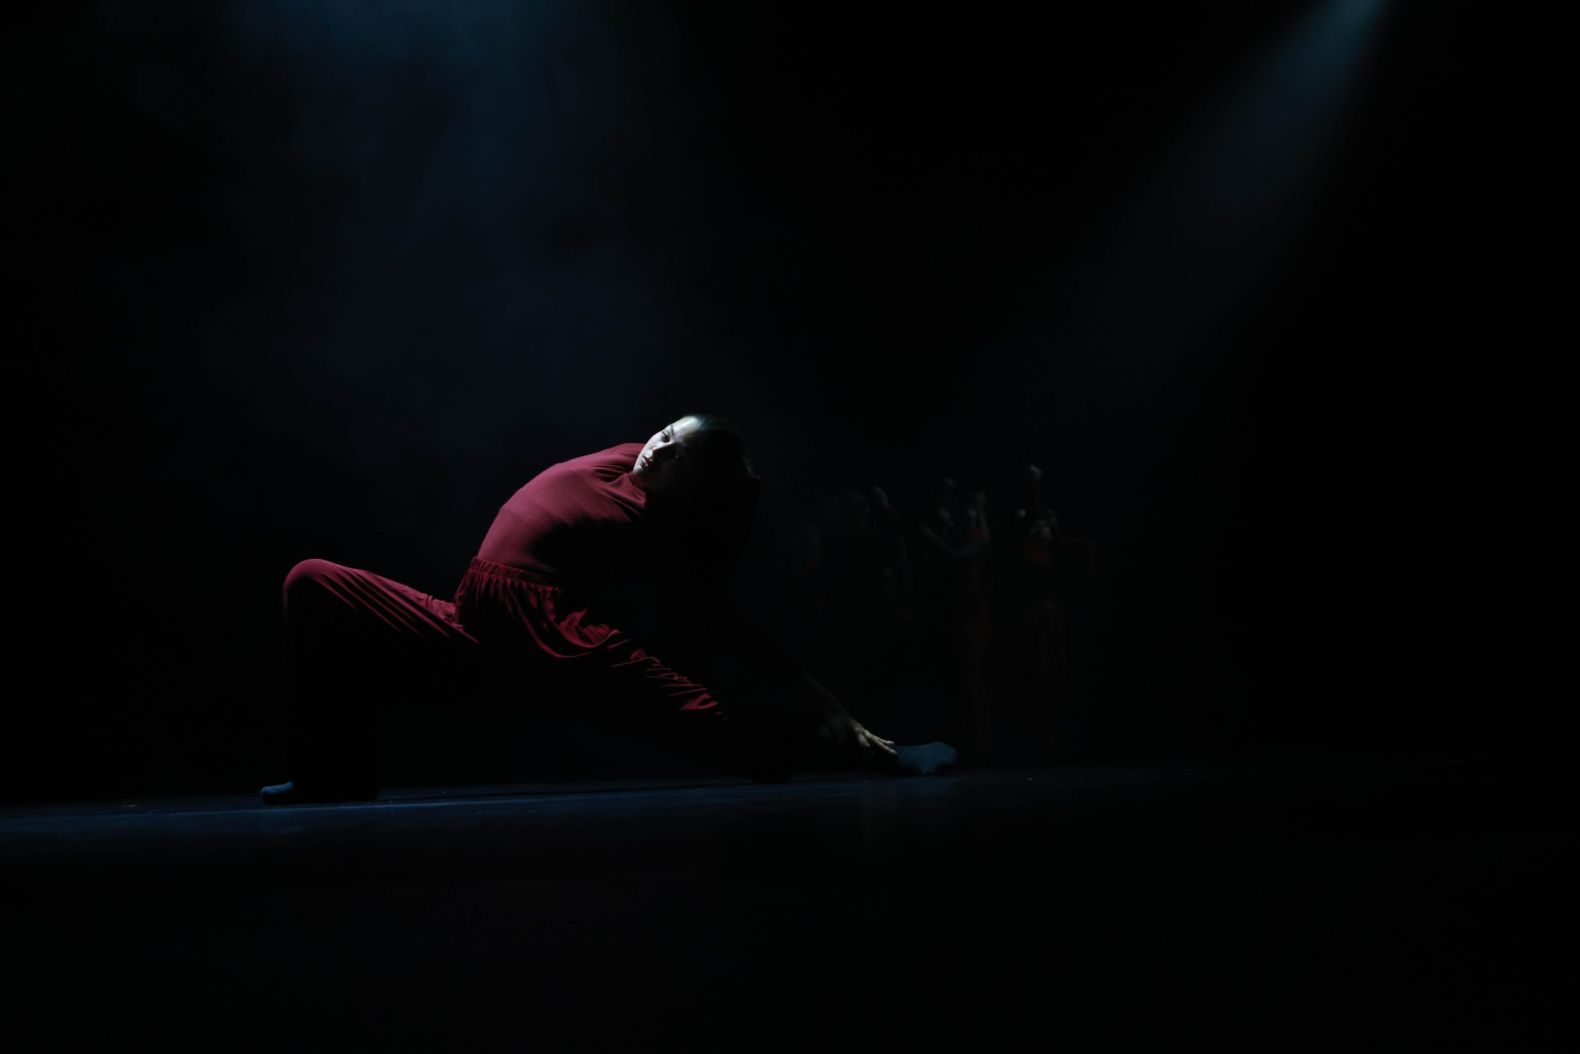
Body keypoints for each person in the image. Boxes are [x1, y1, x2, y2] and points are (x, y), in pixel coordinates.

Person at [262, 413, 956, 804]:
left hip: (549, 631)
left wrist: (846, 719)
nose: (655, 444)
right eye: (662, 432)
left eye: (674, 448)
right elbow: (718, 468)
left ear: (691, 475)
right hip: (475, 619)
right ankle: (334, 775)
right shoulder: (633, 459)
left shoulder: (672, 524)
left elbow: (726, 628)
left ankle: (876, 758)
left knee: (701, 719)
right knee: (312, 581)